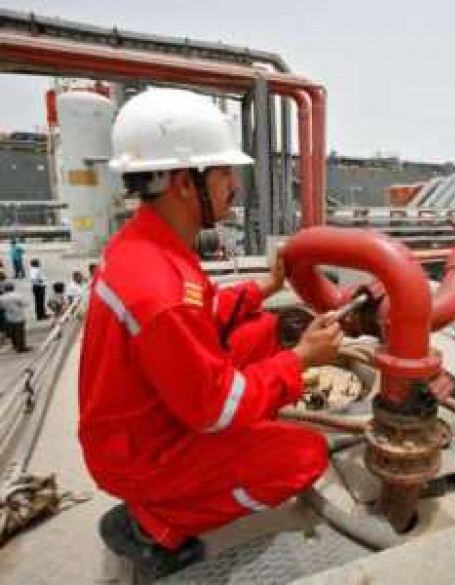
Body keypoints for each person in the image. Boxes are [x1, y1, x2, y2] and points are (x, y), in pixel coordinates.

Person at [79, 88, 343, 580]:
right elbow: (216, 407)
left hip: (138, 423)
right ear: (185, 183)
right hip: (144, 452)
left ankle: (178, 490)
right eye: (224, 174)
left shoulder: (148, 244)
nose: (233, 187)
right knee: (304, 456)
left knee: (263, 330)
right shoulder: (160, 291)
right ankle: (153, 524)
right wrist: (302, 360)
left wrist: (265, 288)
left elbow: (206, 308)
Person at [0, 281, 30, 352]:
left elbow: (1, 308)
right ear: (13, 288)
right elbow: (25, 304)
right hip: (19, 315)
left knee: (12, 332)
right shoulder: (17, 296)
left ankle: (15, 345)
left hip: (8, 316)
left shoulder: (2, 298)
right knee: (20, 332)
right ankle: (21, 347)